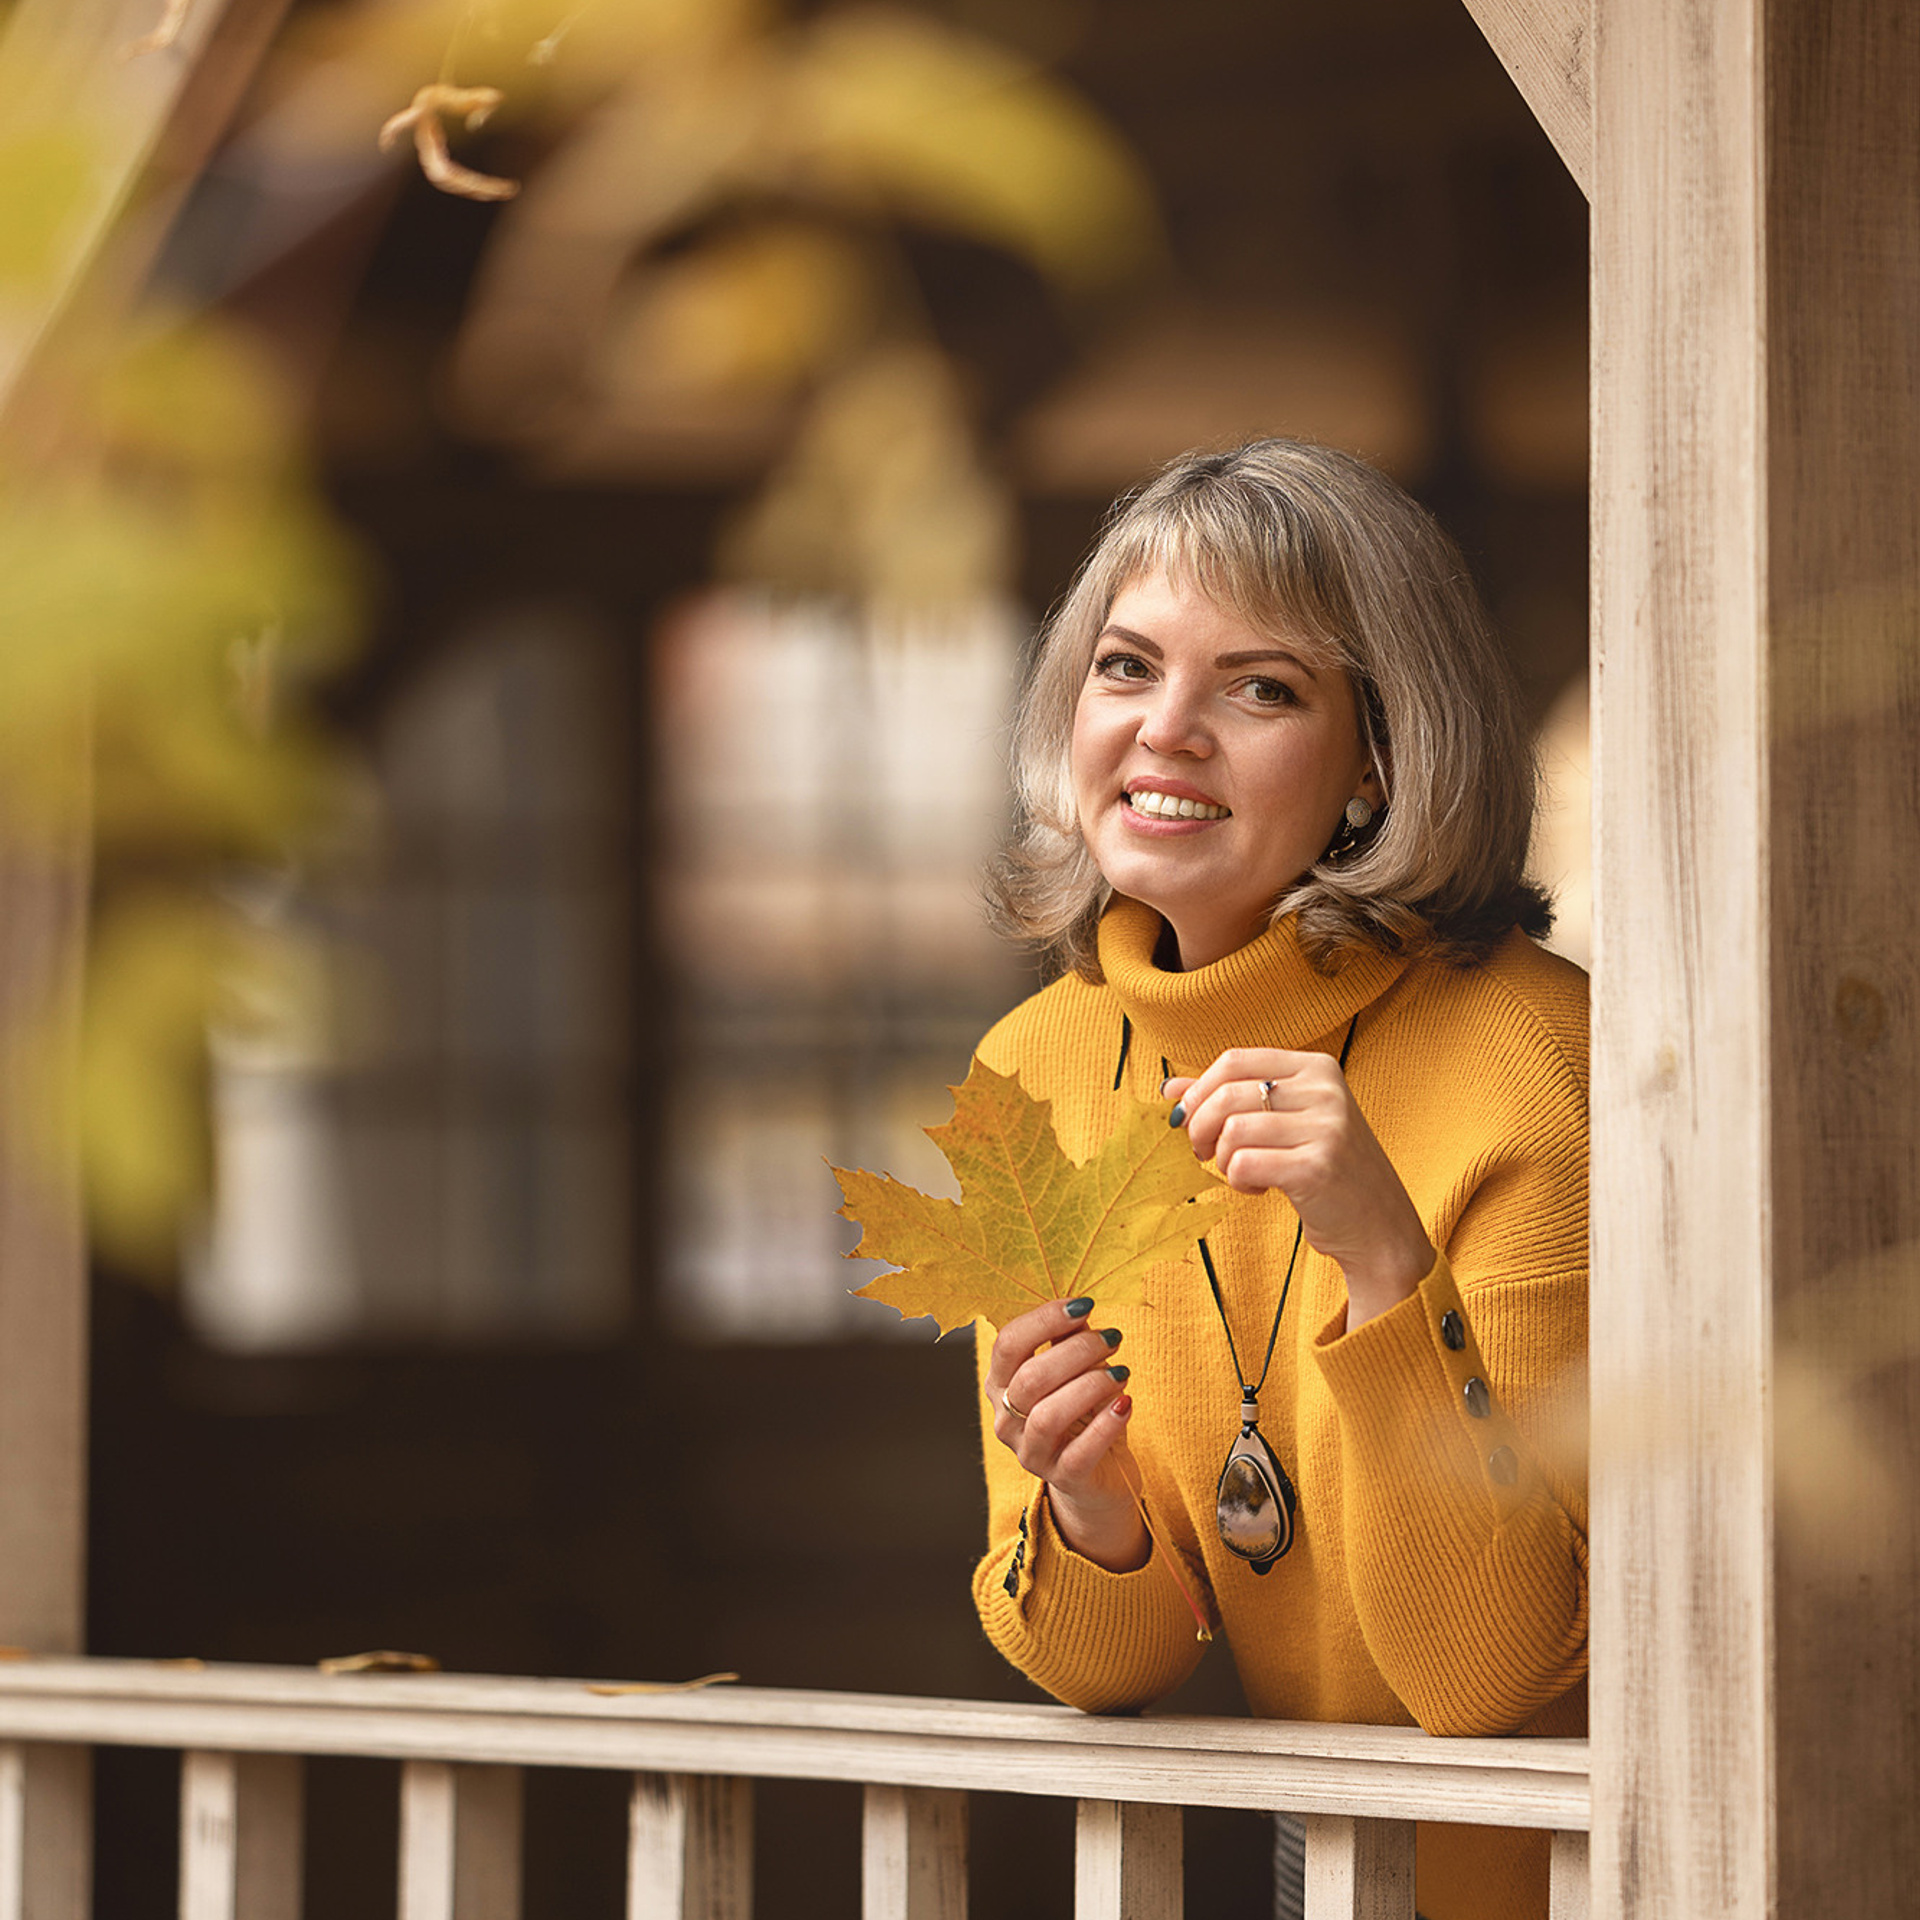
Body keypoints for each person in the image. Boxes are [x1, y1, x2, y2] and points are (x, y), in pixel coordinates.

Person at [971, 440, 1587, 1920]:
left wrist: (1385, 1261)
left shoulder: (1537, 1054)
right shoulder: (1032, 1076)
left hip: (1572, 1875)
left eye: (1262, 688)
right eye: (1127, 668)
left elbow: (1485, 1676)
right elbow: (1103, 1667)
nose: (1165, 732)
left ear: (1380, 755)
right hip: (1305, 1865)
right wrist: (1094, 1509)